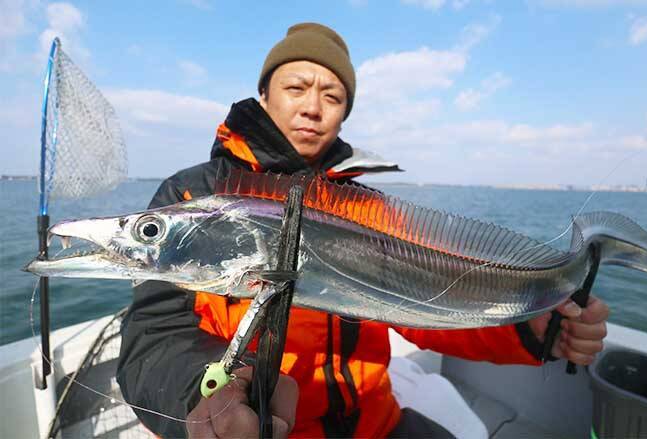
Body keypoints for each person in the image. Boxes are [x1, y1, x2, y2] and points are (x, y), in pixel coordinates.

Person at [117, 22, 610, 438]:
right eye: (296, 88)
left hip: (376, 422)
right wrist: (205, 394)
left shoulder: (367, 207)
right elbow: (155, 333)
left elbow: (421, 304)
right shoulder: (194, 197)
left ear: (344, 112)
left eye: (332, 96)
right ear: (264, 94)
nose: (313, 108)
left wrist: (529, 329)